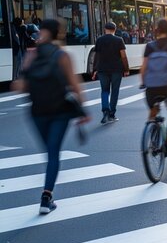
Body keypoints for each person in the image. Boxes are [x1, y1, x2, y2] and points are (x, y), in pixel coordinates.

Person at [12, 19, 90, 214]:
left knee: (49, 151)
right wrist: (82, 110)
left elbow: (19, 86)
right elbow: (75, 84)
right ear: (59, 34)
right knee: (53, 154)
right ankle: (46, 197)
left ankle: (47, 194)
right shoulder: (62, 55)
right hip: (60, 111)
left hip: (37, 112)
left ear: (41, 31)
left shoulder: (32, 55)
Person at [92, 22, 129, 124]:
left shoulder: (99, 40)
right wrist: (126, 69)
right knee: (115, 91)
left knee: (104, 90)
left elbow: (97, 56)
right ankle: (112, 114)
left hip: (102, 70)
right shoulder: (119, 40)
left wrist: (94, 69)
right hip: (116, 69)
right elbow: (123, 56)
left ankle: (105, 111)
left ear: (105, 29)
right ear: (115, 29)